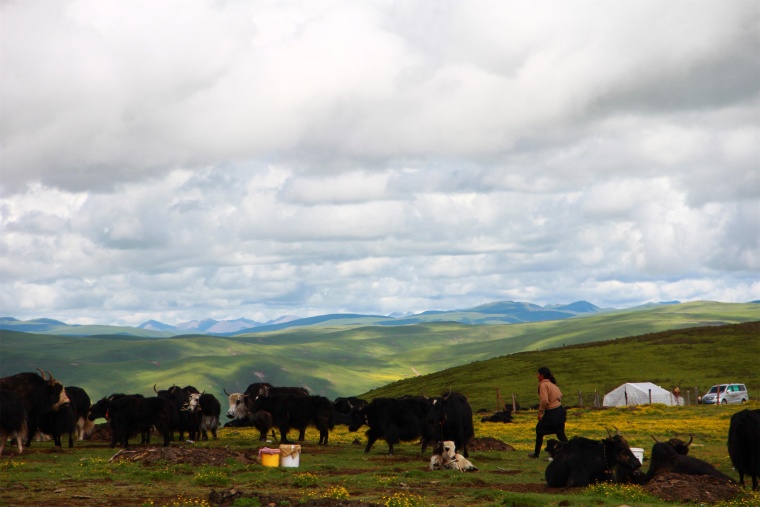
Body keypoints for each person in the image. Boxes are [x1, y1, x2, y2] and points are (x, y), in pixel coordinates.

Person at [528, 366, 568, 459]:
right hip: (560, 412)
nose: (537, 376)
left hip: (552, 412)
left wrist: (540, 412)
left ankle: (536, 454)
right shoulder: (553, 385)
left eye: (538, 374)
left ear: (542, 375)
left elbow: (544, 400)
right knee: (560, 434)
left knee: (539, 430)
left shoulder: (543, 385)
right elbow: (560, 396)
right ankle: (572, 451)